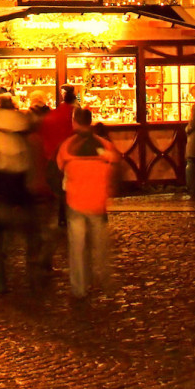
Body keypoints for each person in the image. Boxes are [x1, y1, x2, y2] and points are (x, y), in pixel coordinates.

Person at [55, 108, 119, 299]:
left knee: (77, 248)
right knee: (100, 247)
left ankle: (79, 288)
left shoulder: (67, 146)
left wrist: (62, 191)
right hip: (98, 202)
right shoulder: (105, 145)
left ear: (74, 123)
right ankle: (105, 283)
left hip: (75, 201)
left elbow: (55, 171)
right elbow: (116, 168)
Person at [0, 95, 41, 293]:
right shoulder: (24, 132)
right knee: (31, 238)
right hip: (22, 190)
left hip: (0, 190)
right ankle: (34, 280)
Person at [39, 86, 77, 226]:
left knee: (60, 187)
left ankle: (61, 216)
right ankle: (68, 215)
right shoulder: (74, 115)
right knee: (69, 186)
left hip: (54, 155)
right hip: (69, 155)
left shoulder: (54, 114)